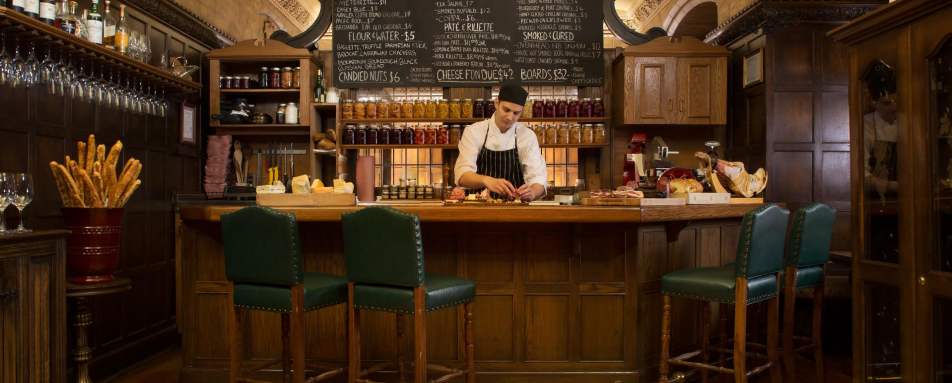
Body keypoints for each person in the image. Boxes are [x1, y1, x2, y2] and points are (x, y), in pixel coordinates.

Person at [454, 83, 547, 201]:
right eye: (506, 110)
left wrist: (532, 192)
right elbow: (462, 175)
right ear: (496, 103)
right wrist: (486, 180)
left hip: (514, 210)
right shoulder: (474, 131)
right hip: (477, 208)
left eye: (516, 113)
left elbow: (538, 179)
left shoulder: (527, 136)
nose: (510, 117)